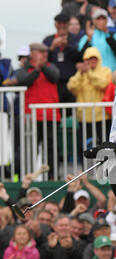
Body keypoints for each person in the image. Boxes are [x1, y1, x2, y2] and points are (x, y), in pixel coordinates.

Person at [16, 43, 61, 179]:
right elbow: (24, 81)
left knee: (51, 148)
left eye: (45, 52)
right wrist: (36, 69)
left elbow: (55, 77)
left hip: (50, 115)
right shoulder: (24, 70)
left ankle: (52, 175)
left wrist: (42, 67)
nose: (45, 54)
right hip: (31, 116)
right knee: (30, 148)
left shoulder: (50, 67)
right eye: (41, 52)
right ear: (32, 54)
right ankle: (28, 175)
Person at [67, 46, 112, 150]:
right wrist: (80, 73)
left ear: (98, 59)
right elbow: (71, 87)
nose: (91, 61)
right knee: (84, 147)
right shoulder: (81, 74)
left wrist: (89, 73)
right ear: (84, 60)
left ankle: (105, 166)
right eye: (88, 59)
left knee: (104, 146)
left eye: (94, 58)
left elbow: (103, 84)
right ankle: (85, 166)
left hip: (102, 117)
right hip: (84, 118)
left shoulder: (105, 70)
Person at [43, 13, 81, 106]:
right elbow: (43, 60)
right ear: (55, 25)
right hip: (54, 83)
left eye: (64, 23)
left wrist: (67, 47)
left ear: (68, 24)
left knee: (72, 112)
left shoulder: (76, 39)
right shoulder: (48, 40)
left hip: (72, 82)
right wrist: (52, 47)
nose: (62, 26)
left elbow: (79, 58)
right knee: (56, 111)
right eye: (59, 23)